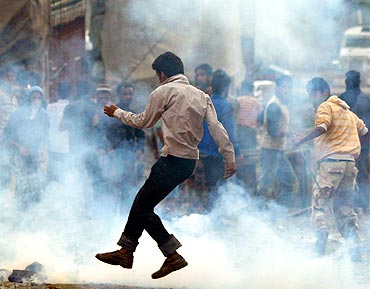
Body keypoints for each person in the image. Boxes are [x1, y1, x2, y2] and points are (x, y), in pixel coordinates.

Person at [96, 51, 236, 279]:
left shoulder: (163, 91)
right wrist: (229, 157)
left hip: (172, 160)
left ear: (162, 74)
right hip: (189, 162)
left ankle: (160, 254)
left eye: (157, 75)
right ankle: (130, 251)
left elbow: (143, 122)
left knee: (142, 206)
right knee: (143, 205)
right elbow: (217, 128)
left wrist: (117, 113)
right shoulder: (201, 96)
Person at [296, 77, 367, 261]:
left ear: (324, 93)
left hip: (331, 164)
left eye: (312, 94)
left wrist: (301, 139)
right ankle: (354, 248)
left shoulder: (325, 106)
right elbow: (365, 132)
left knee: (319, 202)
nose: (311, 98)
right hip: (349, 165)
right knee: (345, 208)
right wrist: (355, 154)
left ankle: (321, 237)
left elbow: (322, 127)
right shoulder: (348, 112)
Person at [198, 69, 241, 211]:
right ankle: (216, 219)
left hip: (202, 151)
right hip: (216, 153)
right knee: (221, 189)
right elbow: (229, 132)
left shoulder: (205, 102)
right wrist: (237, 152)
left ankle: (212, 216)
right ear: (226, 88)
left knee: (212, 188)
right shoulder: (224, 105)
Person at [3, 86, 49, 209]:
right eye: (34, 98)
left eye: (39, 98)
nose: (36, 101)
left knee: (36, 182)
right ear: (29, 98)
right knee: (22, 183)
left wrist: (43, 151)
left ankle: (34, 210)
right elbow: (7, 134)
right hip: (18, 153)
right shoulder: (17, 113)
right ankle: (20, 210)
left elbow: (45, 136)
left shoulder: (44, 115)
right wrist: (20, 148)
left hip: (35, 154)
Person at [257, 75, 298, 205]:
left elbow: (260, 119)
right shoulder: (274, 105)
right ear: (278, 88)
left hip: (277, 150)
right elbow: (273, 132)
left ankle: (276, 215)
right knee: (266, 188)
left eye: (289, 88)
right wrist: (288, 134)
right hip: (270, 151)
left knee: (289, 184)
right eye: (284, 87)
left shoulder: (280, 104)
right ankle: (260, 218)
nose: (287, 90)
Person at [339, 70, 370, 212]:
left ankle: (356, 205)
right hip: (356, 145)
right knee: (356, 175)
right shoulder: (365, 99)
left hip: (354, 145)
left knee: (353, 175)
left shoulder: (341, 100)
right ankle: (358, 205)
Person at [236, 82, 262, 195]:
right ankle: (252, 190)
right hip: (251, 133)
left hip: (239, 132)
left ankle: (240, 189)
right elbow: (260, 119)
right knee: (251, 161)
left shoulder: (237, 101)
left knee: (240, 159)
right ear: (252, 91)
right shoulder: (256, 102)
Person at [46, 82, 71, 180]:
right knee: (65, 177)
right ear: (70, 92)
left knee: (52, 178)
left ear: (58, 92)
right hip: (67, 148)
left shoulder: (50, 107)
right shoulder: (71, 107)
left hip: (53, 147)